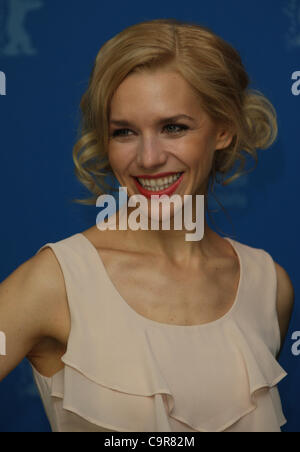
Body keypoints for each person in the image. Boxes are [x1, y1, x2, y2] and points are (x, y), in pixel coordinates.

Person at [0, 18, 295, 432]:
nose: (149, 157)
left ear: (224, 129)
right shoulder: (58, 281)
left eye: (173, 127)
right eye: (124, 132)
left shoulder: (269, 286)